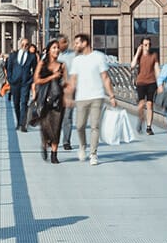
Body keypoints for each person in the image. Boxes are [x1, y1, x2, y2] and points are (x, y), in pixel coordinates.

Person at [68, 34, 117, 166]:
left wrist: (111, 95)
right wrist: (69, 97)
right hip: (81, 97)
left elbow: (105, 77)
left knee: (95, 126)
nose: (75, 46)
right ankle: (82, 146)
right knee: (79, 126)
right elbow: (72, 80)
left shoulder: (99, 57)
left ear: (85, 43)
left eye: (77, 43)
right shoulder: (76, 60)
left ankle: (93, 154)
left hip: (97, 95)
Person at [33, 39, 67, 164]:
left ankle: (54, 154)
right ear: (48, 50)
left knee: (56, 127)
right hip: (44, 99)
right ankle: (44, 143)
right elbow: (36, 80)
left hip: (58, 100)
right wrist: (52, 77)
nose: (56, 50)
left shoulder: (62, 65)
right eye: (54, 47)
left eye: (58, 48)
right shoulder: (42, 63)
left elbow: (66, 82)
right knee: (46, 126)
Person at [6, 38, 37, 132]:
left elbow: (35, 70)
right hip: (14, 83)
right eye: (23, 44)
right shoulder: (13, 56)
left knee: (24, 103)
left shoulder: (32, 57)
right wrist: (10, 79)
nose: (24, 46)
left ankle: (23, 124)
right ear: (20, 45)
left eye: (26, 45)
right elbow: (9, 68)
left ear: (28, 45)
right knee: (16, 103)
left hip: (25, 83)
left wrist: (30, 80)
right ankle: (19, 121)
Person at [131, 37, 160, 135]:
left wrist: (160, 83)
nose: (147, 47)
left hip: (151, 82)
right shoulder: (139, 56)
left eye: (149, 44)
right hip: (141, 82)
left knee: (150, 104)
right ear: (142, 45)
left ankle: (149, 127)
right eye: (145, 45)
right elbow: (132, 65)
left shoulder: (154, 55)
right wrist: (137, 52)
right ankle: (140, 119)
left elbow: (157, 69)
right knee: (141, 104)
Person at [57, 34, 76, 150]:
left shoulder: (74, 56)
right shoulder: (52, 55)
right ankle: (53, 138)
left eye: (66, 42)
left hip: (69, 89)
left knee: (68, 116)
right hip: (55, 90)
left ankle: (66, 141)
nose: (66, 44)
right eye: (63, 42)